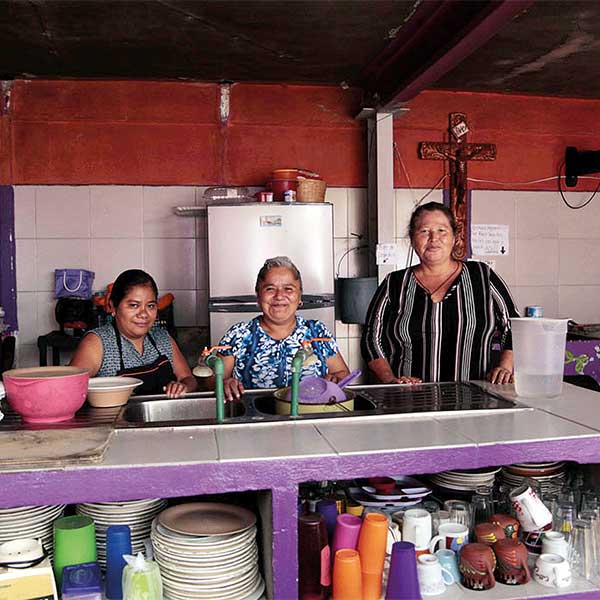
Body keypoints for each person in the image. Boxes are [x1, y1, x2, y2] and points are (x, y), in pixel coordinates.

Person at [361, 202, 519, 385]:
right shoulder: (394, 283)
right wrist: (390, 380)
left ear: (454, 238)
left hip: (474, 398)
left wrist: (505, 367)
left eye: (442, 230)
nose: (433, 238)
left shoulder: (482, 276)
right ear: (412, 239)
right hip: (410, 399)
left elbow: (515, 326)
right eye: (424, 231)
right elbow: (371, 339)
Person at [218, 256, 350, 401]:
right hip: (254, 419)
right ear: (258, 296)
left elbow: (342, 372)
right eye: (270, 289)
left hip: (311, 416)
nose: (279, 296)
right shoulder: (239, 335)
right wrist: (224, 382)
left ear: (299, 297)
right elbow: (212, 379)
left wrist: (335, 379)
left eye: (288, 289)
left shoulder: (317, 332)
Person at [70, 269, 197, 398]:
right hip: (114, 418)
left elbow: (187, 377)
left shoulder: (162, 338)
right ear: (113, 306)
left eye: (150, 306)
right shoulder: (98, 342)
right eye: (134, 305)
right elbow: (70, 388)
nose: (143, 314)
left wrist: (183, 387)